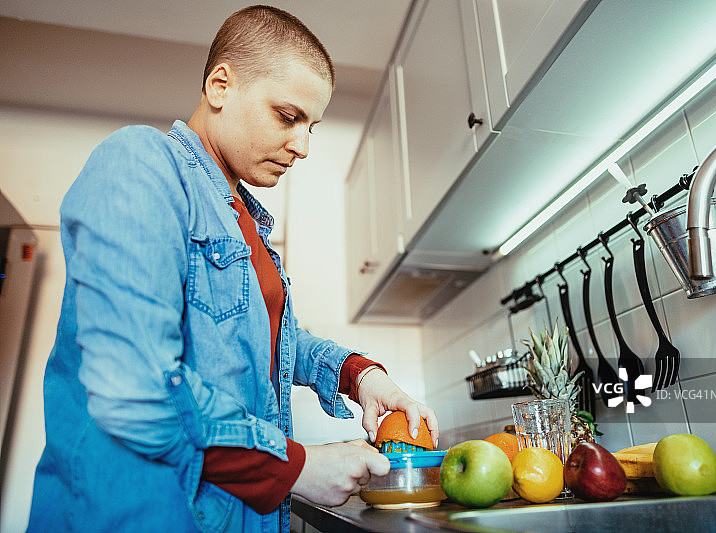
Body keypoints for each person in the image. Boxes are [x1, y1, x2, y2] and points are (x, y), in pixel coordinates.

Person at [26, 5, 438, 533]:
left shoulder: (248, 224)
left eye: (312, 126)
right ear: (220, 86)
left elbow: (260, 343)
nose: (303, 147)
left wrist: (359, 375)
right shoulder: (141, 164)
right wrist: (295, 467)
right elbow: (134, 385)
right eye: (288, 117)